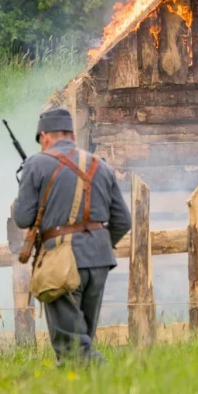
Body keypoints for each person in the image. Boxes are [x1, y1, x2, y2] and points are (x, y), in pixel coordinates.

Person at [11, 107, 131, 365]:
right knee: (82, 338)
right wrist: (95, 246)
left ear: (45, 137)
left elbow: (22, 218)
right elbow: (123, 221)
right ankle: (87, 389)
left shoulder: (36, 164)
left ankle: (113, 376)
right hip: (99, 260)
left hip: (61, 259)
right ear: (72, 137)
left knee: (72, 348)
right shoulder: (100, 165)